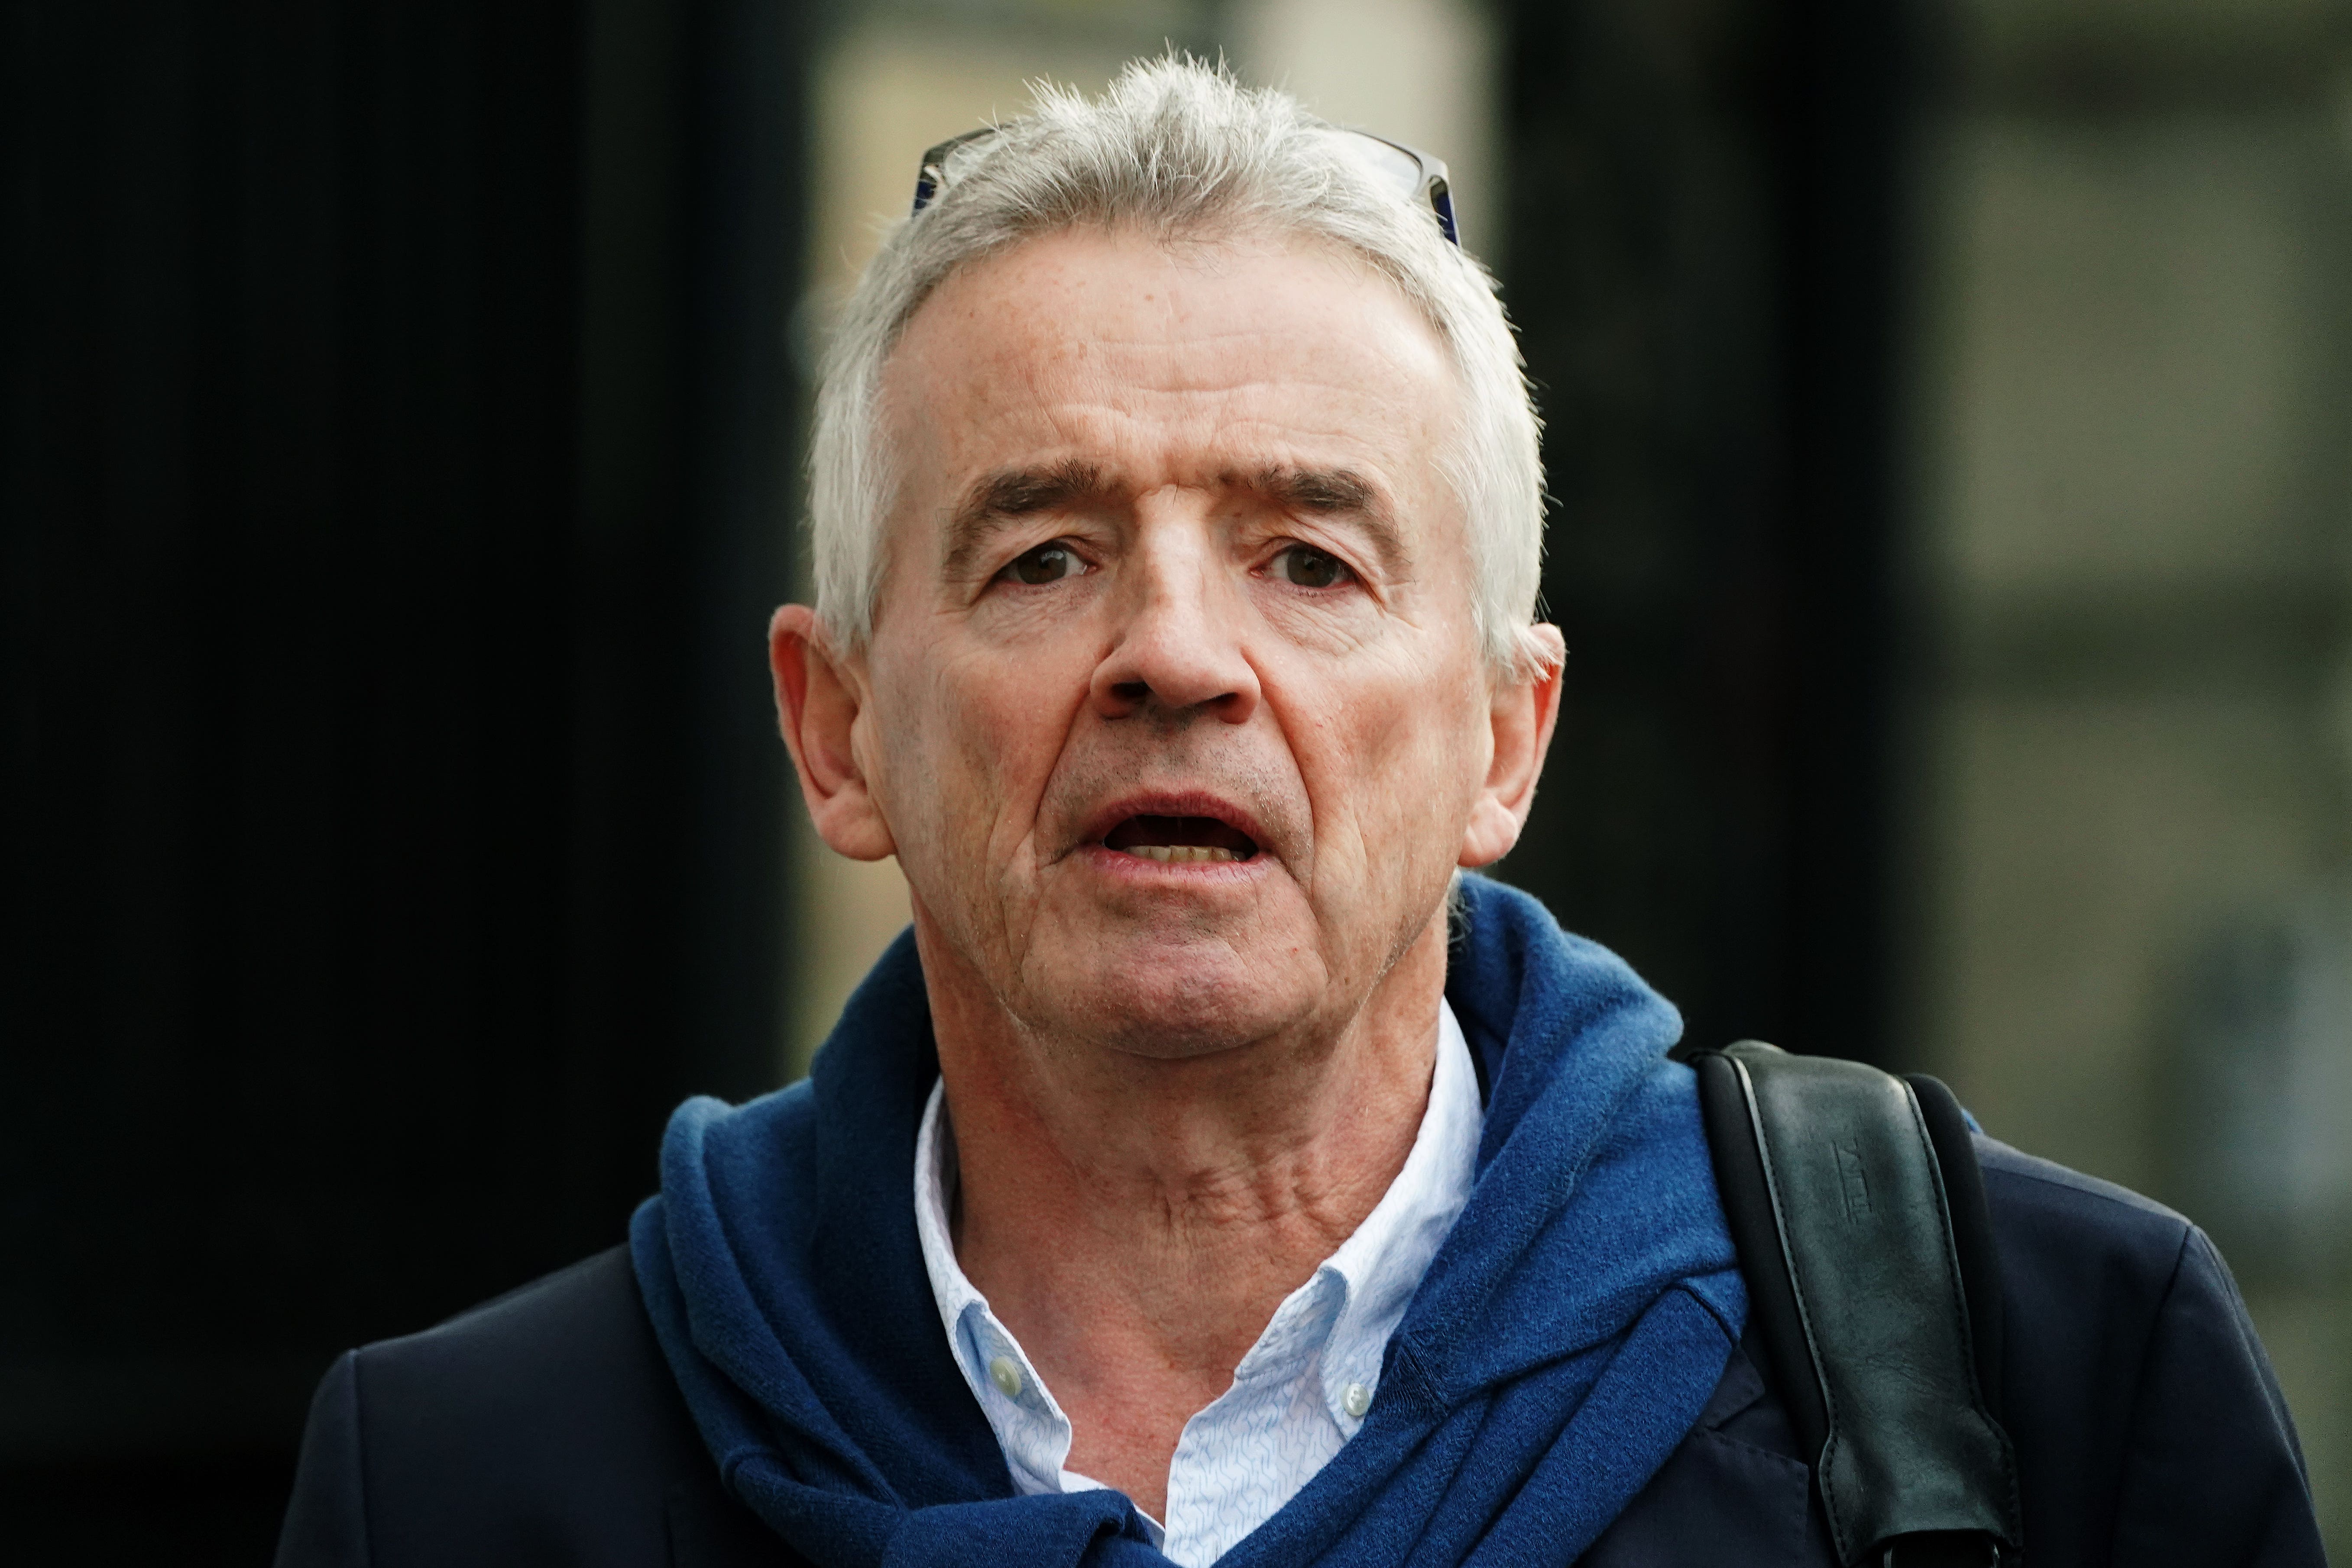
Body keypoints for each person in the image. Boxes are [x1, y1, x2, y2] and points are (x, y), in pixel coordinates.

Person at [274, 58, 2325, 1568]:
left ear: (1503, 739)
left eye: (1309, 560)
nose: (1176, 651)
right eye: (1044, 555)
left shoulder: (2035, 1376)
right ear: (834, 731)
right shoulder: (459, 1481)